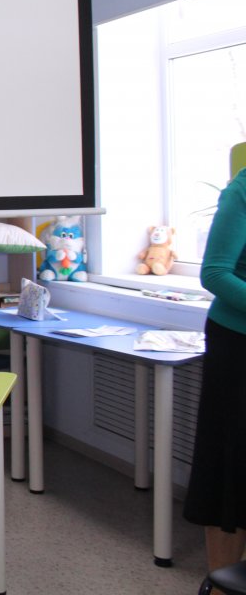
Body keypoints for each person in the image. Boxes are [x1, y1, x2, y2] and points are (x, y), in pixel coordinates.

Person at [184, 165, 246, 586]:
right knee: (230, 470)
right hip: (238, 346)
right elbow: (215, 272)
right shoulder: (242, 191)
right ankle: (222, 584)